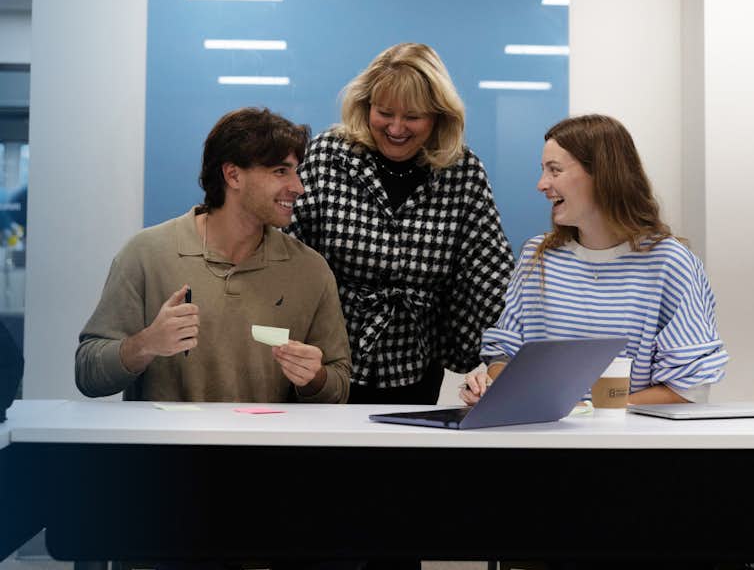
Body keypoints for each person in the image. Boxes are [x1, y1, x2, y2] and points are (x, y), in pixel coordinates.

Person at [289, 42, 515, 405]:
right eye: (384, 112)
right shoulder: (327, 156)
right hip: (325, 363)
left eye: (412, 117)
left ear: (439, 116)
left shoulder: (462, 172)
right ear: (366, 107)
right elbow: (285, 249)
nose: (395, 128)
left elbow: (490, 274)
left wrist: (505, 357)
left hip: (415, 363)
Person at [76, 107, 351, 404]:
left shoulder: (310, 270)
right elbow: (87, 374)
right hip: (166, 450)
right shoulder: (145, 255)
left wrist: (314, 378)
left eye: (296, 171)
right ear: (233, 175)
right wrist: (145, 344)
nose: (298, 187)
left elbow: (338, 386)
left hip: (267, 449)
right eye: (280, 171)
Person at [462, 113, 728, 406]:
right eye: (543, 170)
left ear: (602, 174)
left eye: (555, 170)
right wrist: (492, 386)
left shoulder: (670, 264)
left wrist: (588, 410)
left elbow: (689, 389)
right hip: (543, 441)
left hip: (631, 445)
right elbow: (504, 351)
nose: (541, 184)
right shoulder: (536, 256)